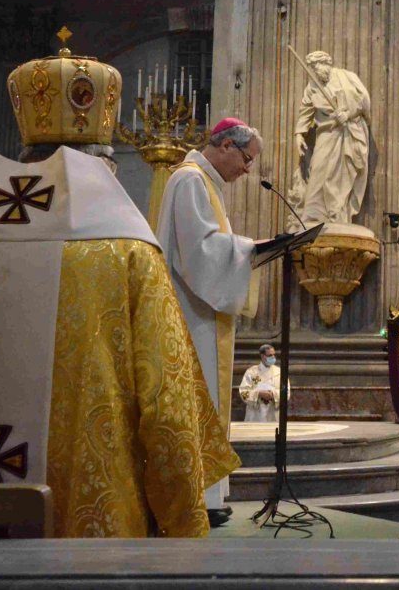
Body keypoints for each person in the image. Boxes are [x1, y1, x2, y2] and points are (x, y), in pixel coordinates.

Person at [0, 45, 238, 537]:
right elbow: (167, 409)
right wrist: (182, 519)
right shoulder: (127, 254)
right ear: (106, 161)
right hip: (84, 530)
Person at [155, 117, 264, 526]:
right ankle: (195, 497)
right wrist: (250, 249)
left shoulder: (204, 183)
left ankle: (208, 494)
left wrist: (242, 252)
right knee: (196, 400)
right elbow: (199, 253)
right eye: (247, 159)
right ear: (225, 146)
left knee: (209, 401)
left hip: (204, 309)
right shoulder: (189, 180)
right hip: (190, 309)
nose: (248, 170)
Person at [293, 50, 371, 225]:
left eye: (315, 67)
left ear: (325, 63)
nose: (314, 71)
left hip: (348, 133)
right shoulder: (313, 87)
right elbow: (305, 111)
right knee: (318, 169)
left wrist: (349, 114)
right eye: (311, 68)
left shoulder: (347, 77)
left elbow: (364, 102)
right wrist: (299, 134)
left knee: (342, 176)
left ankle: (337, 214)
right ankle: (313, 216)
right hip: (326, 134)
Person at [239, 343, 283, 423]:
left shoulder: (280, 372)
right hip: (255, 415)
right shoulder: (251, 372)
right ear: (262, 356)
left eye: (274, 355)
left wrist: (273, 394)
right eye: (270, 355)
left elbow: (286, 392)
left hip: (273, 414)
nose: (273, 357)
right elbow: (243, 392)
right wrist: (259, 393)